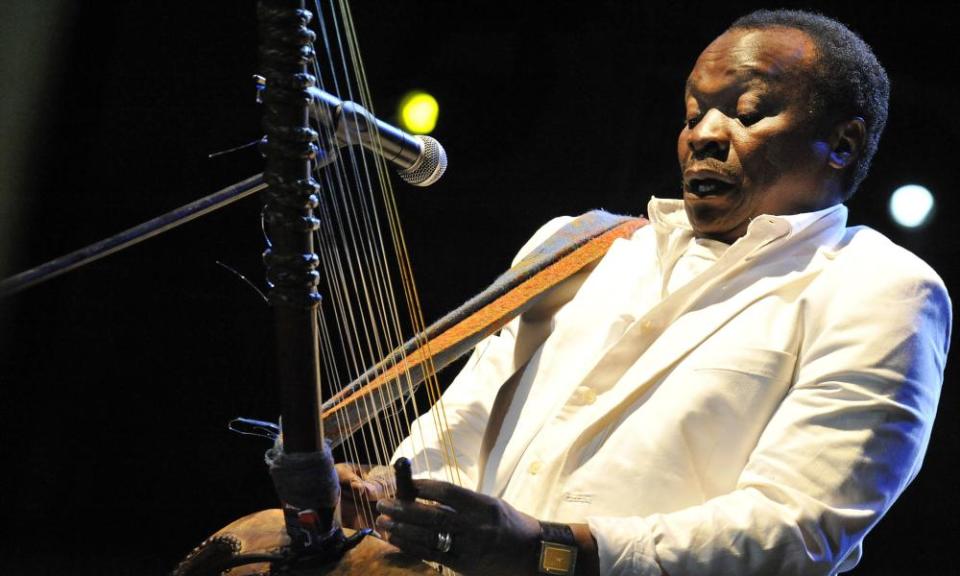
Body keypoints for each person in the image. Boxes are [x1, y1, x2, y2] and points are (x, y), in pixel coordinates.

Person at [339, 9, 951, 575]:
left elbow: (795, 528)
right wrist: (389, 496)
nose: (704, 135)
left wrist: (548, 551)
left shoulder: (880, 289)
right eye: (692, 114)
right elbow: (465, 421)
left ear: (842, 143)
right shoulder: (577, 246)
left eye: (748, 113)